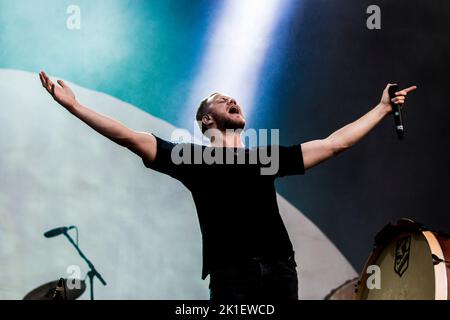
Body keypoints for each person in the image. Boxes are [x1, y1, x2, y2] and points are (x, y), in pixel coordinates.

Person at [38, 71, 416, 300]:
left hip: (282, 271)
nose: (232, 99)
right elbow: (129, 137)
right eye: (221, 100)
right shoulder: (192, 159)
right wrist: (74, 106)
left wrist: (382, 108)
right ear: (205, 119)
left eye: (233, 98)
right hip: (233, 275)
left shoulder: (263, 158)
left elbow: (336, 143)